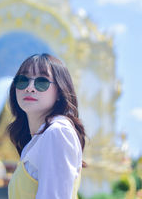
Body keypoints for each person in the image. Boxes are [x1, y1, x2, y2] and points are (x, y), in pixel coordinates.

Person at [7, 53, 86, 199]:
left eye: (42, 82)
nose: (30, 88)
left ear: (60, 92)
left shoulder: (58, 131)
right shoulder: (40, 137)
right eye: (23, 80)